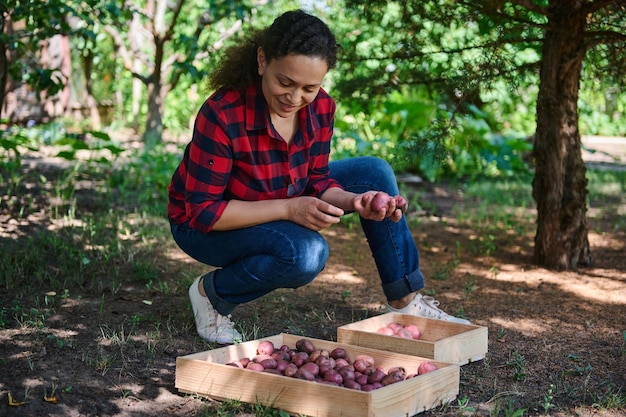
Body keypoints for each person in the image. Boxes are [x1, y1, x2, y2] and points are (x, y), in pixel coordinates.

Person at [167, 9, 470, 344]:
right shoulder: (223, 113)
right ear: (262, 60)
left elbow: (316, 180)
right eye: (285, 82)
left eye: (309, 87)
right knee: (306, 253)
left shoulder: (321, 107)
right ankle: (212, 294)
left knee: (374, 173)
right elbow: (203, 211)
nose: (295, 99)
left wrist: (356, 201)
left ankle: (406, 302)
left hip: (277, 194)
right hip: (205, 226)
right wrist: (289, 209)